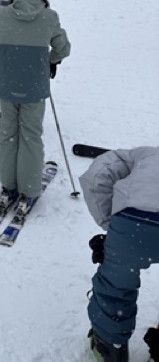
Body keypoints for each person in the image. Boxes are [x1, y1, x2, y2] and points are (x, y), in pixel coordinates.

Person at [0, 0, 70, 211]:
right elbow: (63, 48)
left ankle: (8, 185)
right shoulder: (48, 16)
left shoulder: (3, 15)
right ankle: (28, 189)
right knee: (30, 135)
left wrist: (4, 58)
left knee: (9, 133)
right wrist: (48, 61)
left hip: (7, 85)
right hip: (34, 86)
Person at [80, 146, 159, 362]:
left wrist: (111, 227)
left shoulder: (145, 154)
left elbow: (97, 175)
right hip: (137, 219)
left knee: (115, 286)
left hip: (135, 221)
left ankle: (110, 348)